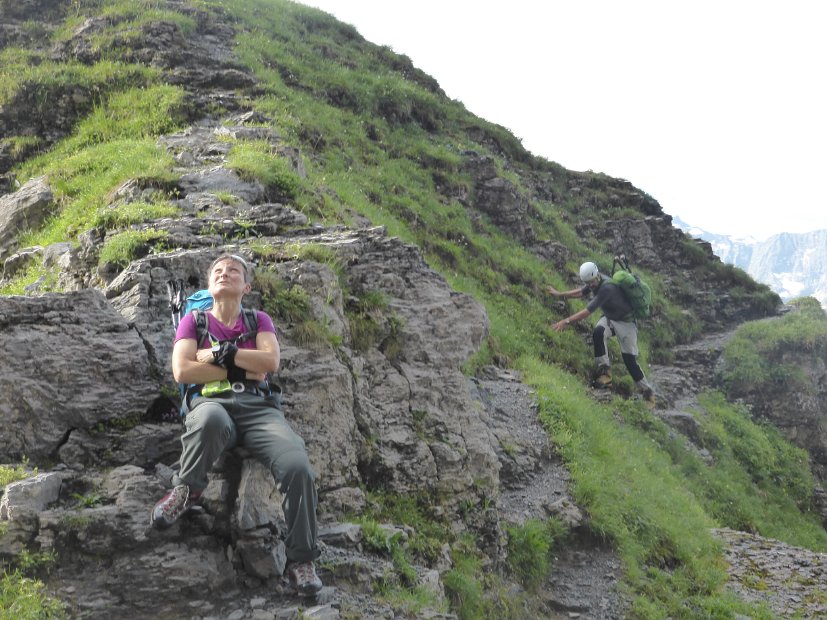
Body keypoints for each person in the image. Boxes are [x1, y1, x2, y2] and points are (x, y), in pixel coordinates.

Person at [150, 253, 323, 596]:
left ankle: (300, 562)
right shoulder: (194, 322)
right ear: (210, 283)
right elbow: (183, 370)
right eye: (217, 270)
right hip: (211, 403)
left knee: (296, 465)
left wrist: (218, 355)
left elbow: (269, 362)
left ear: (247, 286)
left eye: (233, 271)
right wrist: (240, 364)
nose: (224, 274)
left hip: (260, 410)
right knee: (210, 420)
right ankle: (187, 489)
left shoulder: (259, 320)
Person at [549, 261, 656, 406]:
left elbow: (587, 311)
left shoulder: (607, 287)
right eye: (588, 282)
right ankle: (605, 374)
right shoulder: (595, 280)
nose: (590, 285)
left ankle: (648, 392)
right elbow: (581, 291)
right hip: (610, 317)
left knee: (629, 360)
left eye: (591, 282)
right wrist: (560, 294)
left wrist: (565, 321)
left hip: (626, 322)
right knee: (598, 332)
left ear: (597, 275)